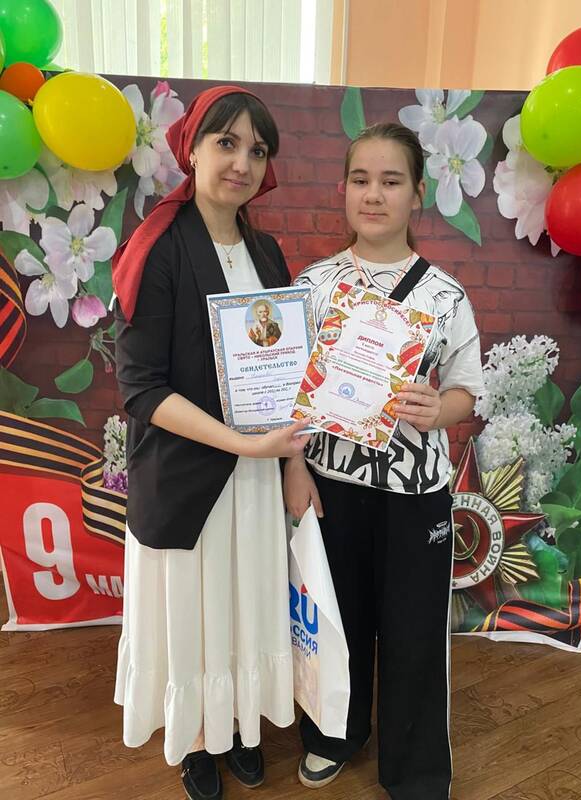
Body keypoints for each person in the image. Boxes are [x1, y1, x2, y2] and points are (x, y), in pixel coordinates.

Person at [112, 85, 309, 800]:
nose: (242, 163)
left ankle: (240, 723)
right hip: (187, 475)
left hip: (255, 477)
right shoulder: (158, 249)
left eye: (257, 149)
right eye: (226, 143)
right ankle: (197, 737)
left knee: (244, 602)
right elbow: (141, 389)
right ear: (191, 149)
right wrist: (241, 444)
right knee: (195, 611)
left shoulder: (267, 252)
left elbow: (289, 375)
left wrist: (291, 463)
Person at [284, 122, 484, 800]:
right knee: (333, 619)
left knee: (412, 630)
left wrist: (440, 408)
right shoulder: (314, 285)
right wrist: (293, 469)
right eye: (361, 180)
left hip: (415, 492)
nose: (374, 195)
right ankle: (332, 736)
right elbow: (289, 394)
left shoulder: (445, 295)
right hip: (329, 485)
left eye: (391, 181)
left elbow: (467, 389)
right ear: (343, 190)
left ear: (417, 193)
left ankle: (416, 768)